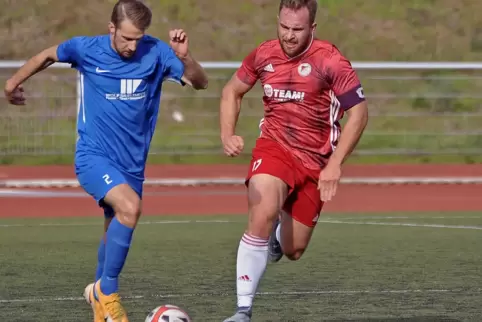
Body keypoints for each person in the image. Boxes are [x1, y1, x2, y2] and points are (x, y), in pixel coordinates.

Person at [4, 1, 208, 321]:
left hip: (132, 164)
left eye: (138, 39)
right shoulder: (86, 49)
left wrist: (184, 57)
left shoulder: (156, 53)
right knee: (130, 208)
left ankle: (100, 305)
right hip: (93, 157)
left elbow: (200, 82)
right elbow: (46, 55)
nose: (132, 46)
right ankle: (106, 291)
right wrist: (12, 83)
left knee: (114, 224)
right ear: (111, 28)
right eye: (126, 38)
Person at [219, 0, 369, 320]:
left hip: (316, 162)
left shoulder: (331, 61)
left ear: (312, 28)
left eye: (297, 29)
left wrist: (335, 164)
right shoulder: (263, 54)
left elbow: (359, 113)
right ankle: (242, 310)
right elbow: (231, 91)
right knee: (262, 210)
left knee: (293, 250)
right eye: (284, 27)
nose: (289, 35)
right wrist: (227, 133)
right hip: (274, 148)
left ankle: (278, 236)